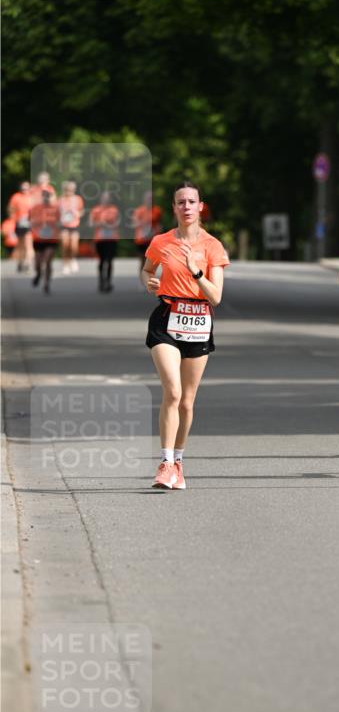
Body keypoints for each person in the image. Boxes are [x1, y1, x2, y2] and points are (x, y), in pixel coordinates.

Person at [141, 181, 228, 490]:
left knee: (188, 402)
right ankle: (165, 464)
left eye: (192, 201)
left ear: (200, 206)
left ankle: (178, 460)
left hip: (199, 322)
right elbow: (147, 270)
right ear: (174, 208)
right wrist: (149, 280)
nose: (187, 207)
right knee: (173, 393)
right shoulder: (161, 242)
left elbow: (216, 296)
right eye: (181, 202)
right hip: (166, 319)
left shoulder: (212, 246)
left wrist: (196, 271)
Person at [30, 190, 60, 294]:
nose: (46, 198)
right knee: (38, 263)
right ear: (41, 197)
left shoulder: (55, 209)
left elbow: (60, 222)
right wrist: (36, 223)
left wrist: (53, 224)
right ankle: (38, 274)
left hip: (51, 238)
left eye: (48, 196)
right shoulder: (35, 208)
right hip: (38, 238)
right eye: (44, 196)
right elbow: (30, 221)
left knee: (47, 261)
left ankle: (47, 283)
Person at [90, 191, 120, 292]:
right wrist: (100, 223)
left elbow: (117, 223)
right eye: (104, 198)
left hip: (112, 238)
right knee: (102, 260)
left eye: (107, 198)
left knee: (110, 260)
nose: (106, 200)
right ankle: (101, 281)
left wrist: (107, 225)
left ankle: (108, 282)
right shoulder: (96, 210)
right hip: (100, 238)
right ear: (100, 199)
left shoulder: (114, 210)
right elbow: (91, 224)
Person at [133, 191, 162, 277]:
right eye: (148, 198)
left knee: (151, 261)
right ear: (144, 199)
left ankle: (150, 279)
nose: (150, 200)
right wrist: (144, 223)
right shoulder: (139, 210)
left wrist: (159, 233)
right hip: (141, 239)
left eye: (151, 198)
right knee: (142, 260)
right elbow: (134, 223)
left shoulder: (157, 210)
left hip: (152, 240)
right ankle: (142, 280)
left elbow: (159, 224)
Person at [58, 181, 84, 275]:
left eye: (72, 190)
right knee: (65, 245)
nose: (70, 191)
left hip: (74, 225)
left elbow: (81, 211)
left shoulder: (78, 199)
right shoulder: (60, 200)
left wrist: (78, 214)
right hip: (64, 225)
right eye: (68, 190)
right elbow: (56, 212)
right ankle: (65, 264)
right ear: (65, 190)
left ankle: (73, 259)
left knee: (73, 245)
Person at [8, 181, 32, 272]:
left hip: (29, 223)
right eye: (23, 188)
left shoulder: (32, 197)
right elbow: (11, 209)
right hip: (19, 223)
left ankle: (28, 263)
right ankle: (20, 262)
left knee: (28, 244)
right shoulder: (16, 197)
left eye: (26, 188)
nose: (25, 190)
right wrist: (13, 219)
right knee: (20, 245)